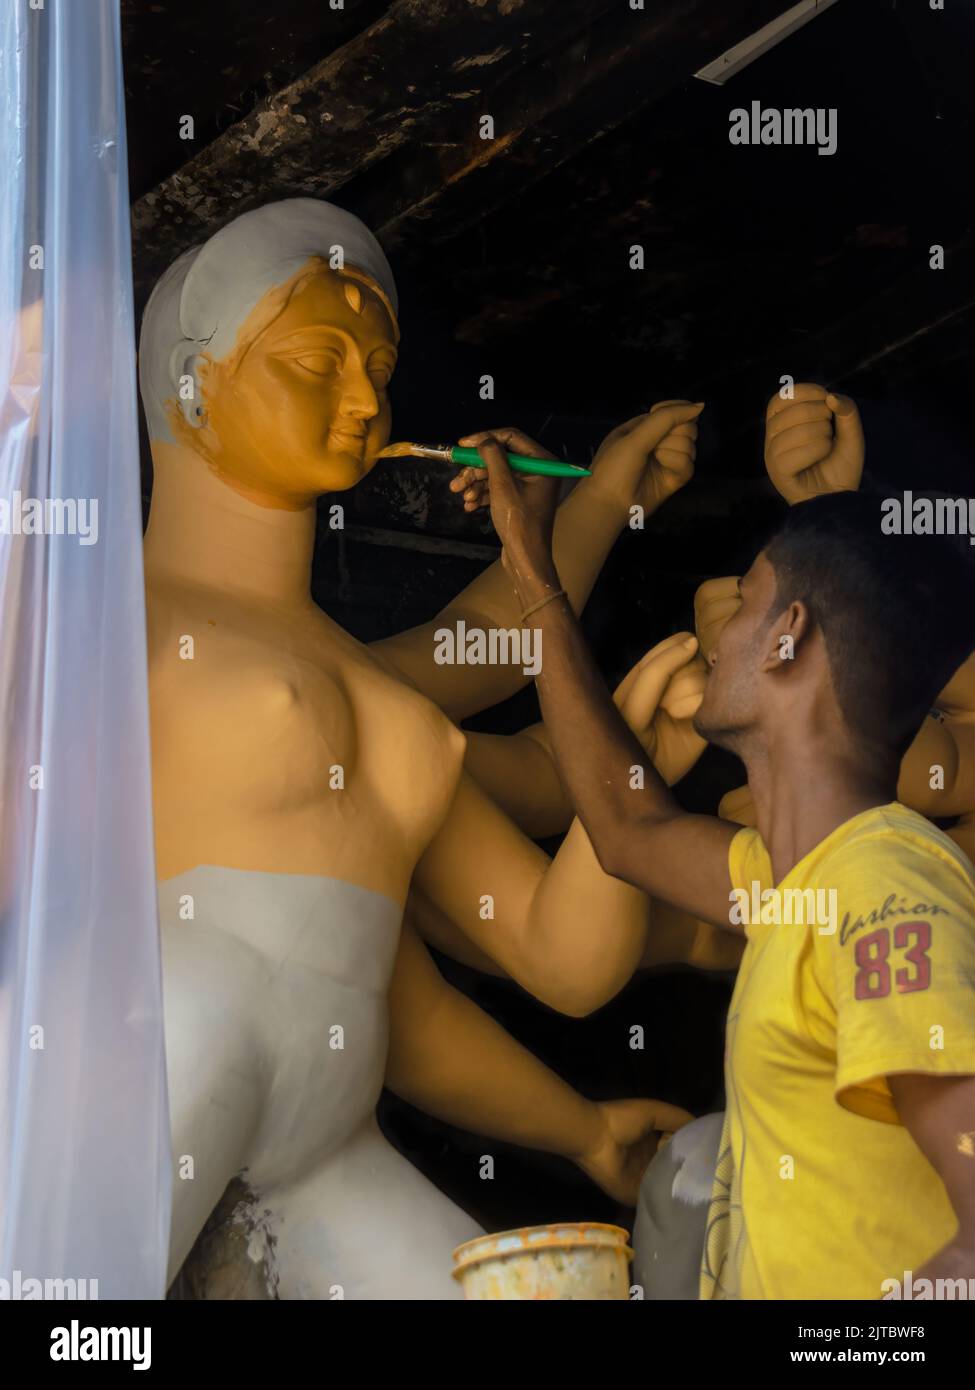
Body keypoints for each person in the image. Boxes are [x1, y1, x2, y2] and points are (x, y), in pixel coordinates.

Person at [474, 422, 975, 1299]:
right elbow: (628, 830)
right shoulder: (793, 881)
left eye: (741, 603)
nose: (718, 632)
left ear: (785, 636)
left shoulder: (881, 887)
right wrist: (532, 573)